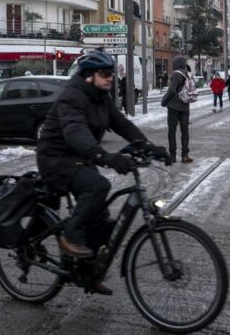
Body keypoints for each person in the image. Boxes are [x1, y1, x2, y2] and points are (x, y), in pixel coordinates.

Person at [37, 51, 170, 294]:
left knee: (102, 223)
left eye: (111, 74)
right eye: (105, 74)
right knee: (97, 186)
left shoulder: (100, 97)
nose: (111, 78)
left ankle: (87, 274)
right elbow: (75, 131)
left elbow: (121, 123)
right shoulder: (72, 97)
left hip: (79, 158)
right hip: (56, 159)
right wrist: (103, 156)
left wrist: (148, 146)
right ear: (89, 76)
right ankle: (70, 235)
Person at [162, 56, 193, 164]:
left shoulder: (176, 74)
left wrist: (164, 101)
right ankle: (185, 155)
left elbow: (171, 90)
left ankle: (172, 156)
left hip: (174, 107)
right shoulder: (188, 74)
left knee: (172, 131)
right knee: (185, 131)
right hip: (185, 106)